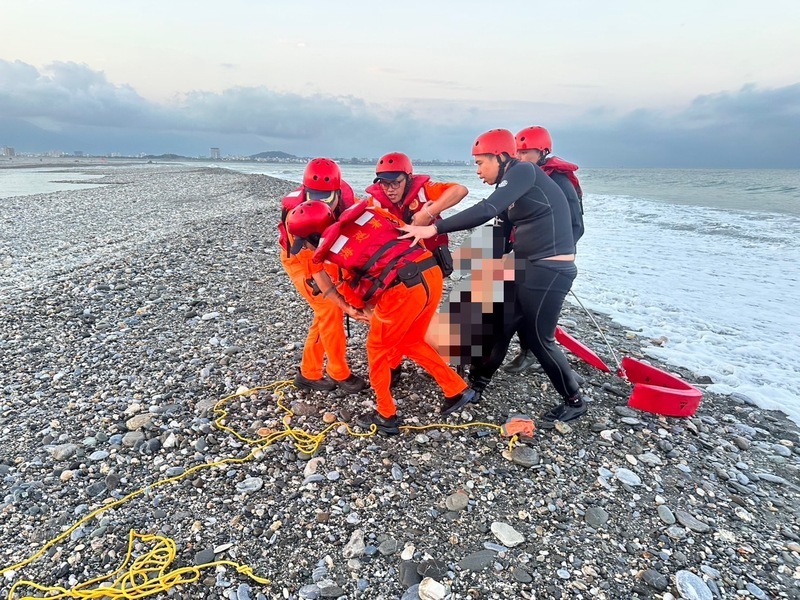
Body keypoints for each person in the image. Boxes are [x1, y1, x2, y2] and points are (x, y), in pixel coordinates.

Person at [399, 129, 586, 427]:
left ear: (500, 157)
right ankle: (477, 384)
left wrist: (434, 227)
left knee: (539, 339)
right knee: (500, 323)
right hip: (525, 266)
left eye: (480, 163)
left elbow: (486, 210)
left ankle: (575, 401)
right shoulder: (513, 191)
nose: (477, 171)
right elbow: (499, 234)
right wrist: (472, 272)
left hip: (550, 270)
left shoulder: (524, 171)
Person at [286, 200, 476, 435]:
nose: (304, 247)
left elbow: (354, 297)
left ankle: (385, 414)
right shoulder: (369, 213)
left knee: (377, 349)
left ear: (314, 237)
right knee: (409, 340)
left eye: (304, 242)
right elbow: (401, 231)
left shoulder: (334, 254)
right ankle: (456, 389)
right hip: (430, 270)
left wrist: (352, 309)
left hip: (404, 291)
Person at [365, 152, 468, 383]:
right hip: (397, 270)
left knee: (422, 316)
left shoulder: (425, 191)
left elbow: (460, 190)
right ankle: (394, 364)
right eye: (384, 183)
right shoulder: (374, 202)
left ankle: (452, 358)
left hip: (429, 267)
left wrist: (427, 214)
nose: (389, 189)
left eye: (396, 182)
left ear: (408, 178)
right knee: (394, 317)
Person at [277, 158, 367, 394]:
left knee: (324, 314)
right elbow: (312, 265)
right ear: (305, 190)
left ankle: (309, 373)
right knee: (329, 310)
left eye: (325, 197)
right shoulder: (296, 217)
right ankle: (339, 373)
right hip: (300, 260)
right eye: (313, 195)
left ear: (337, 192)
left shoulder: (348, 202)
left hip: (328, 255)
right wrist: (339, 300)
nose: (318, 203)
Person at [503, 126, 586, 374]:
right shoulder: (520, 178)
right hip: (523, 251)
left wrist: (552, 256)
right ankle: (513, 349)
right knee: (513, 302)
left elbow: (575, 225)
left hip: (548, 257)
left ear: (543, 152)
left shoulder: (558, 181)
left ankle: (533, 353)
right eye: (517, 151)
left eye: (526, 152)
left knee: (535, 309)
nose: (520, 157)